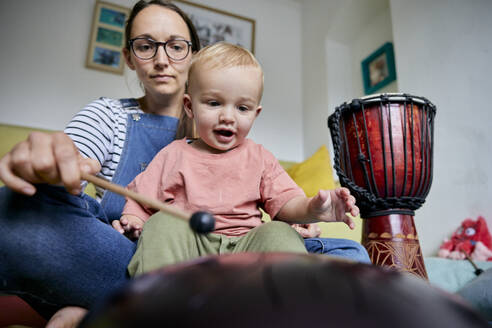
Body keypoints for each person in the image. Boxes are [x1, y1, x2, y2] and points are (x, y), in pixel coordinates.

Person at [0, 0, 367, 326]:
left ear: (193, 54)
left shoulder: (250, 148)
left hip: (243, 256)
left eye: (176, 46)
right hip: (137, 257)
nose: (161, 59)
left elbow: (282, 204)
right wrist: (52, 166)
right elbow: (82, 167)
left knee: (351, 254)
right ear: (129, 56)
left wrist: (302, 217)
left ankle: (100, 311)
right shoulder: (111, 117)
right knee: (13, 212)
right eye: (145, 46)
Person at [112, 42, 360, 275]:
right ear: (190, 106)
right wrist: (132, 221)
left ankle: (281, 309)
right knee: (162, 223)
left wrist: (312, 209)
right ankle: (161, 304)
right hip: (189, 250)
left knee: (279, 231)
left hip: (247, 247)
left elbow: (286, 204)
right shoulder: (173, 154)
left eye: (242, 108)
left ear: (255, 113)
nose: (228, 117)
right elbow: (140, 200)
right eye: (214, 103)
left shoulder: (259, 157)